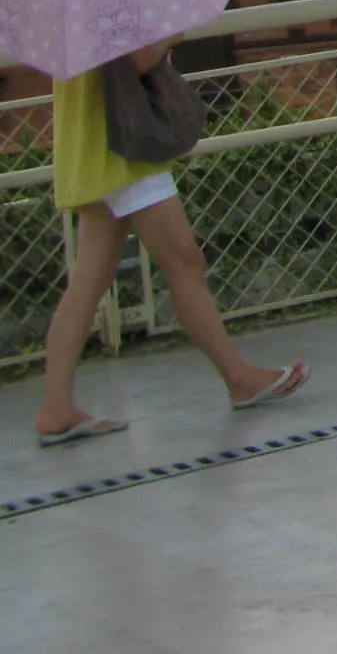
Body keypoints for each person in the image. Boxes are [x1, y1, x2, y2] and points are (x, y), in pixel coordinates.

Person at [31, 45, 305, 444]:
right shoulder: (106, 10)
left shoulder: (72, 19)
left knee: (89, 279)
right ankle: (239, 378)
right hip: (125, 150)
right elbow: (133, 63)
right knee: (183, 264)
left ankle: (55, 407)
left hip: (92, 146)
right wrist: (166, 38)